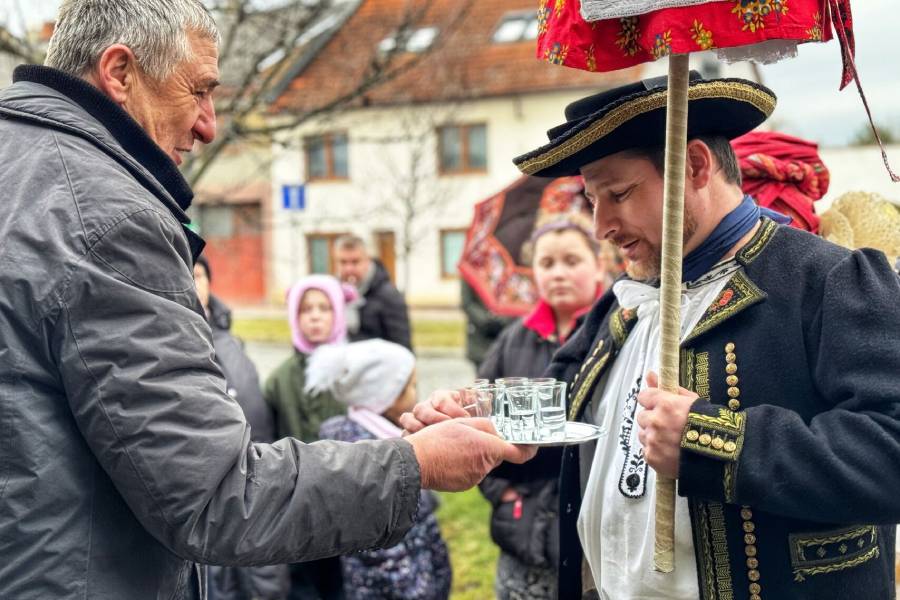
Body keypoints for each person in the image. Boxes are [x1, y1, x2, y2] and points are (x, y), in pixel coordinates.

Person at [0, 2, 535, 598]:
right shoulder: (107, 217)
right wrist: (412, 464)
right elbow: (217, 494)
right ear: (120, 73)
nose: (208, 123)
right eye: (199, 91)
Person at [403, 72, 900, 600]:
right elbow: (568, 424)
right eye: (592, 200)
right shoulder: (624, 302)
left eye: (618, 193)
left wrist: (714, 441)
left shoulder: (830, 281)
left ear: (694, 166)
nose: (601, 226)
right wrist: (487, 420)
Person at [478, 209, 604, 600]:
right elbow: (482, 416)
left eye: (572, 261)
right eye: (546, 263)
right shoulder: (513, 340)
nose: (558, 273)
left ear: (600, 266)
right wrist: (500, 491)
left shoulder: (613, 333)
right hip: (523, 524)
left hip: (591, 521)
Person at [314, 341, 452, 600]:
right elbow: (381, 558)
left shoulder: (389, 442)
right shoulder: (368, 463)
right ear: (387, 398)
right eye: (411, 385)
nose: (416, 393)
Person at [193, 255, 290, 600]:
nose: (193, 283)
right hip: (210, 501)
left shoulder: (228, 340)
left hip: (254, 487)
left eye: (199, 274)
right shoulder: (173, 341)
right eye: (184, 274)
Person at [264, 275, 353, 600]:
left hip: (351, 508)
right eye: (305, 309)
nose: (315, 316)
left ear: (339, 313)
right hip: (299, 513)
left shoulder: (353, 373)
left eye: (324, 308)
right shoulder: (279, 381)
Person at [335, 235, 412, 350]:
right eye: (343, 262)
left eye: (355, 262)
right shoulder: (332, 294)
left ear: (367, 261)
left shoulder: (389, 296)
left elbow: (402, 346)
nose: (348, 269)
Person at [460, 279, 516, 370]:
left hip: (507, 334)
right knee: (484, 380)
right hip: (480, 338)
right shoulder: (471, 267)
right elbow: (467, 303)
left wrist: (503, 319)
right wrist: (486, 320)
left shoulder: (512, 267)